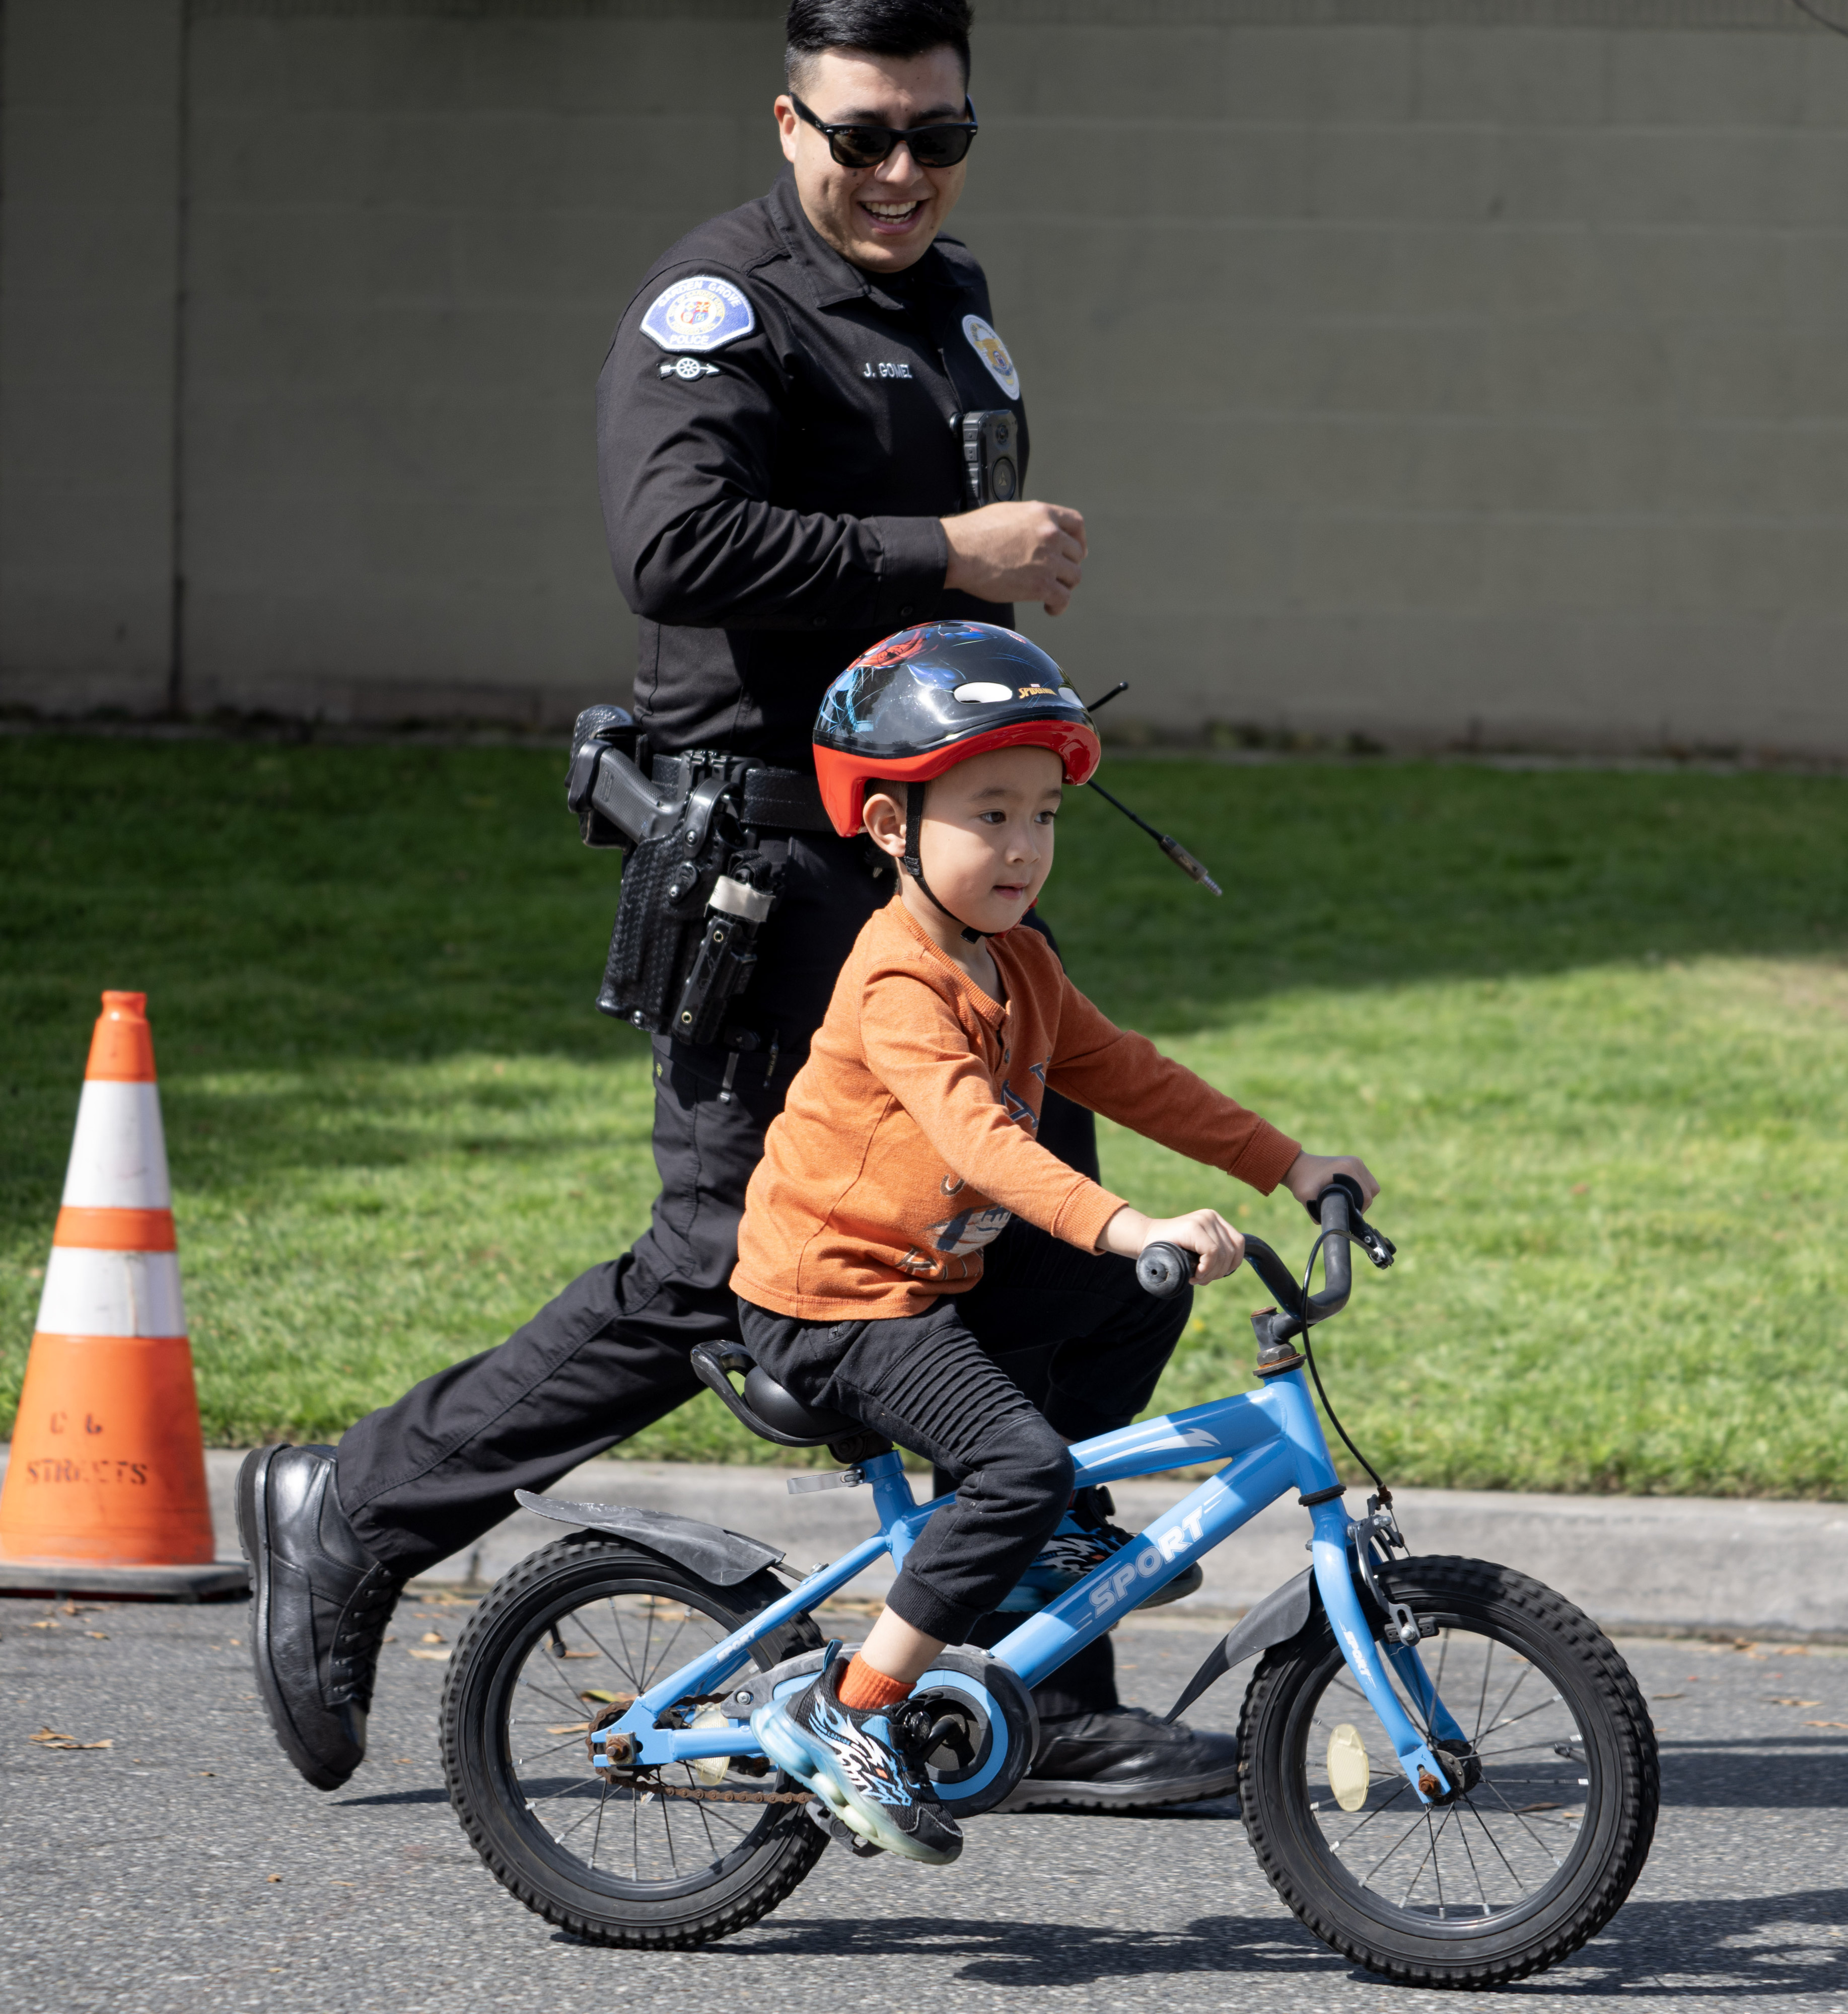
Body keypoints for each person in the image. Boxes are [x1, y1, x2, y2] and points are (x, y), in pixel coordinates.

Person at [236, 0, 1255, 1808]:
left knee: (1076, 1264)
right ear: (787, 123)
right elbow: (674, 544)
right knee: (722, 1269)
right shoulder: (718, 310)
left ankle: (1033, 1675)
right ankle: (356, 1508)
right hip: (763, 871)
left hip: (939, 869)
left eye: (937, 137)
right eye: (863, 135)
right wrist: (955, 555)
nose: (900, 174)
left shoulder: (948, 303)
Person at [738, 621, 1377, 1860]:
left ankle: (1058, 1526)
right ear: (888, 828)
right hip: (839, 1295)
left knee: (1133, 1299)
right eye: (990, 814)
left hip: (932, 1269)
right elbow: (977, 1137)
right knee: (1018, 1462)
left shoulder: (1017, 958)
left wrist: (1288, 1162)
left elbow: (1131, 1074)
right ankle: (854, 1707)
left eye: (1043, 815)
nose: (1025, 845)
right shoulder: (896, 982)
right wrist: (1126, 1217)